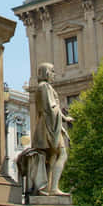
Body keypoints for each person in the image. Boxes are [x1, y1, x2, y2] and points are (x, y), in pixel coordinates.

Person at [31, 63, 73, 196]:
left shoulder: (41, 87)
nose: (54, 75)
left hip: (46, 125)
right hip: (48, 126)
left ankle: (49, 187)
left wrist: (63, 122)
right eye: (53, 71)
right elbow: (51, 108)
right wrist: (64, 120)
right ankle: (53, 188)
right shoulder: (45, 87)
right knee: (62, 154)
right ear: (47, 73)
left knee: (52, 157)